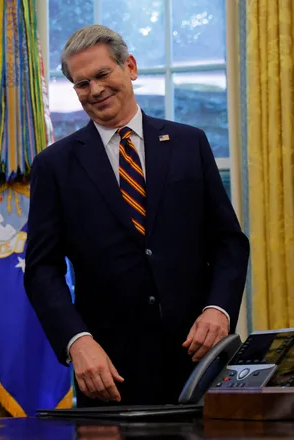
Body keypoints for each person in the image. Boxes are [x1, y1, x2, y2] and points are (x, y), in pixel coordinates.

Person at [24, 25, 249, 407]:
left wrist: (219, 310)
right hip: (109, 373)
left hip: (198, 358)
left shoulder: (189, 143)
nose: (95, 90)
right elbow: (42, 269)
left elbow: (229, 242)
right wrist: (77, 341)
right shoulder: (54, 165)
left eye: (102, 74)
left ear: (129, 66)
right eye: (82, 84)